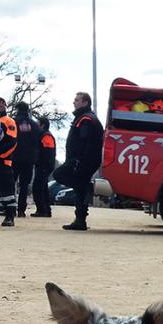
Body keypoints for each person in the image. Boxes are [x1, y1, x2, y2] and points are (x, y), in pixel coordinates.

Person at [53, 91, 103, 231]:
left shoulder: (85, 119)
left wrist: (80, 159)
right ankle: (80, 220)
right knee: (80, 190)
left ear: (85, 103)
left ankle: (84, 187)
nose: (74, 102)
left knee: (59, 175)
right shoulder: (85, 118)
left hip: (82, 160)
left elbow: (86, 141)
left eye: (76, 100)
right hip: (86, 160)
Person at [0, 96, 19, 226]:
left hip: (3, 160)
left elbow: (12, 142)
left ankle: (10, 215)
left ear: (3, 107)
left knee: (7, 190)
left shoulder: (8, 121)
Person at [10, 101, 40, 217]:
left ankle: (10, 208)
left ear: (17, 109)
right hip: (29, 158)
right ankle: (21, 209)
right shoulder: (34, 124)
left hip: (14, 157)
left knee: (11, 183)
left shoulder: (13, 122)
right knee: (24, 185)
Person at [30, 116, 56, 217]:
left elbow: (48, 152)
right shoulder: (43, 136)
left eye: (38, 124)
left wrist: (43, 164)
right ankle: (46, 210)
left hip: (44, 166)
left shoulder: (46, 137)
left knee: (37, 187)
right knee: (43, 187)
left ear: (42, 125)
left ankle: (41, 209)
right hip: (43, 165)